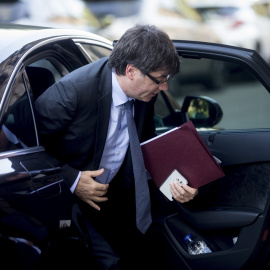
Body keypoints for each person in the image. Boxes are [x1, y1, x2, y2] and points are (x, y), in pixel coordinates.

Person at [35, 24, 198, 270]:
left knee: (140, 256)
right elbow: (26, 145)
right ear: (131, 71)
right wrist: (73, 179)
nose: (164, 87)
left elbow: (147, 143)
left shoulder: (144, 93)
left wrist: (179, 180)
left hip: (114, 197)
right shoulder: (70, 94)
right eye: (160, 79)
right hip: (66, 203)